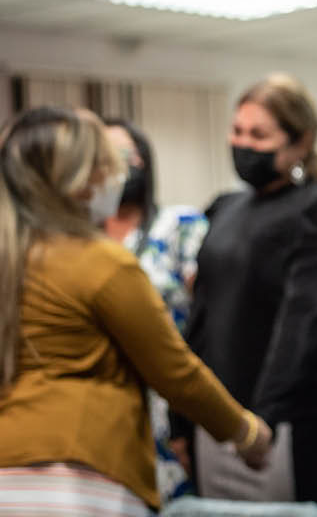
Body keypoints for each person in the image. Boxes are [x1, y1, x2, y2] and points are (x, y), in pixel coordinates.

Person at [0, 107, 271, 515]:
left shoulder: (13, 258)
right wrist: (247, 433)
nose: (117, 176)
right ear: (76, 180)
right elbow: (175, 373)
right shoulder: (100, 262)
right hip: (81, 475)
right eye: (105, 165)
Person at [180, 74, 317, 513]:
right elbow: (200, 321)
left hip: (290, 424)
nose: (243, 143)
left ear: (300, 143)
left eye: (259, 135)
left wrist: (261, 422)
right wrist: (184, 420)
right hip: (218, 422)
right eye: (237, 131)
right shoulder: (223, 209)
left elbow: (303, 324)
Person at [102, 117, 209, 502]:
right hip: (102, 402)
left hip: (171, 401)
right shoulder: (76, 240)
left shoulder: (178, 226)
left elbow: (208, 317)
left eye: (124, 154)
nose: (115, 165)